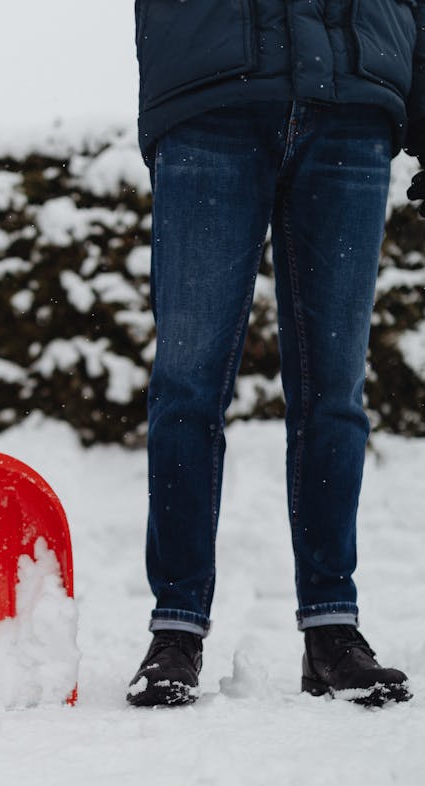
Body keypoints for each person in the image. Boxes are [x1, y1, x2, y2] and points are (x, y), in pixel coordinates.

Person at [127, 1, 422, 708]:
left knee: (335, 390)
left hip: (355, 97)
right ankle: (176, 627)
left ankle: (332, 629)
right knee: (188, 385)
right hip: (212, 90)